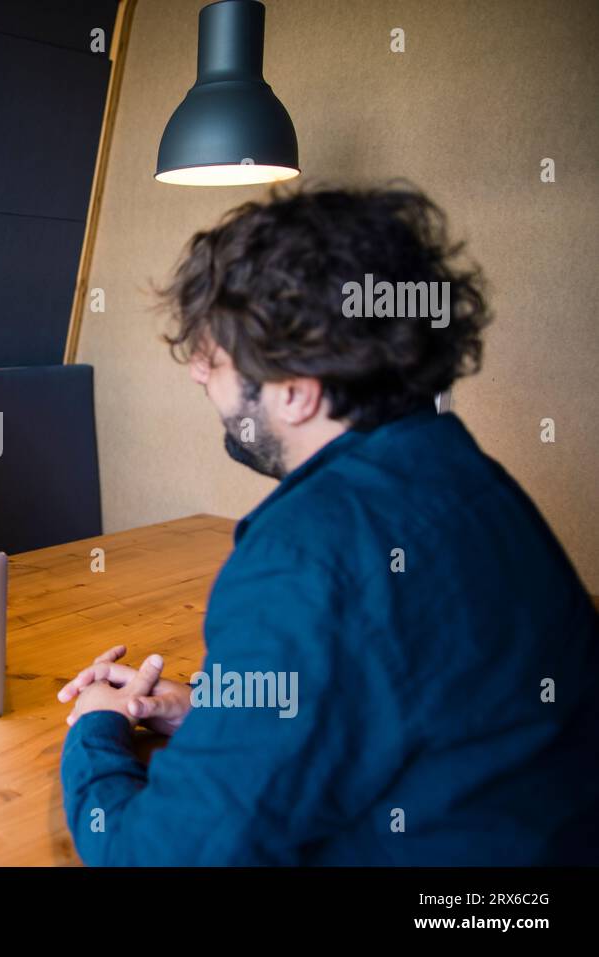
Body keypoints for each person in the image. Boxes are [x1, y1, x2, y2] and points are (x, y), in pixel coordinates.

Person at [58, 183, 599, 865]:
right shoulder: (469, 479)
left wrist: (97, 728)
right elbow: (408, 704)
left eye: (215, 356)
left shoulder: (305, 558)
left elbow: (155, 857)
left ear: (295, 389)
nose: (198, 375)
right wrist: (211, 711)